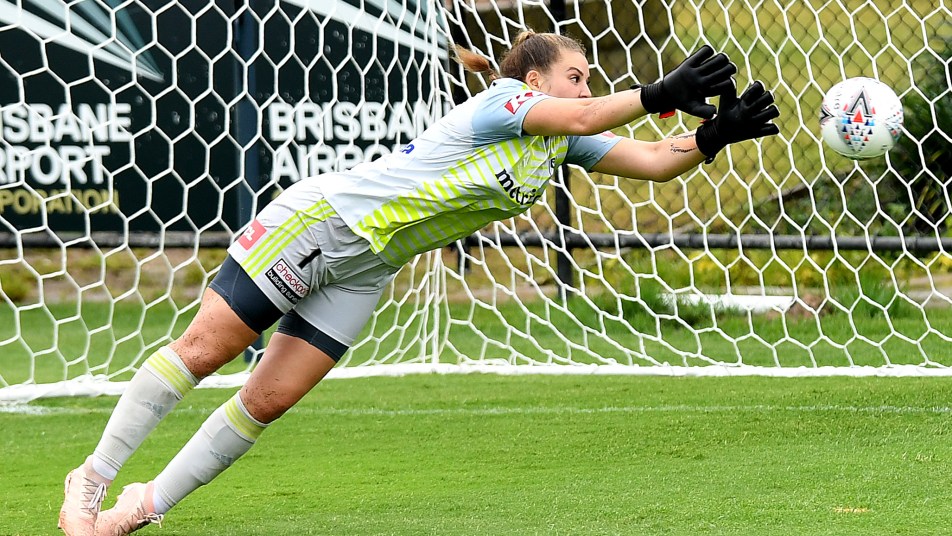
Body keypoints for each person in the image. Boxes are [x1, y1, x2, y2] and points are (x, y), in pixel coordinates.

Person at [58, 29, 779, 535]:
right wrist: (657, 91)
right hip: (322, 224)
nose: (584, 86)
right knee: (204, 351)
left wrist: (714, 135)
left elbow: (652, 160)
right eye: (575, 74)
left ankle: (141, 508)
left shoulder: (561, 141)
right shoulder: (502, 104)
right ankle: (91, 478)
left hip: (366, 268)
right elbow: (596, 111)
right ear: (533, 82)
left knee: (267, 399)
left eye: (588, 77)